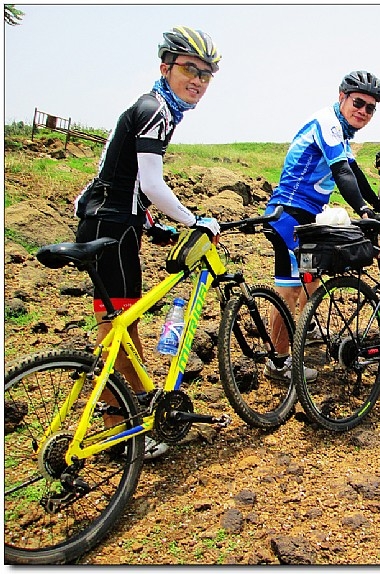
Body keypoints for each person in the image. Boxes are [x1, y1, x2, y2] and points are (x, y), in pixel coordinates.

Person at [73, 26, 223, 459]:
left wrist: (153, 224)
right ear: (165, 67)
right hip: (113, 228)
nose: (198, 80)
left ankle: (119, 428)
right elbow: (153, 184)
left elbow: (126, 178)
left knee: (118, 330)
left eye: (206, 74)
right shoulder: (156, 110)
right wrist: (194, 220)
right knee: (119, 333)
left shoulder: (154, 107)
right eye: (189, 69)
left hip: (111, 222)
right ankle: (124, 434)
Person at [263, 70, 380, 382]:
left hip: (307, 215)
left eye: (370, 108)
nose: (363, 111)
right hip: (289, 214)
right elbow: (341, 173)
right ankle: (278, 363)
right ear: (342, 97)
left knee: (312, 278)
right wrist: (364, 211)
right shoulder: (327, 123)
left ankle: (305, 329)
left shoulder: (342, 133)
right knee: (289, 290)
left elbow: (354, 172)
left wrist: (379, 205)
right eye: (358, 103)